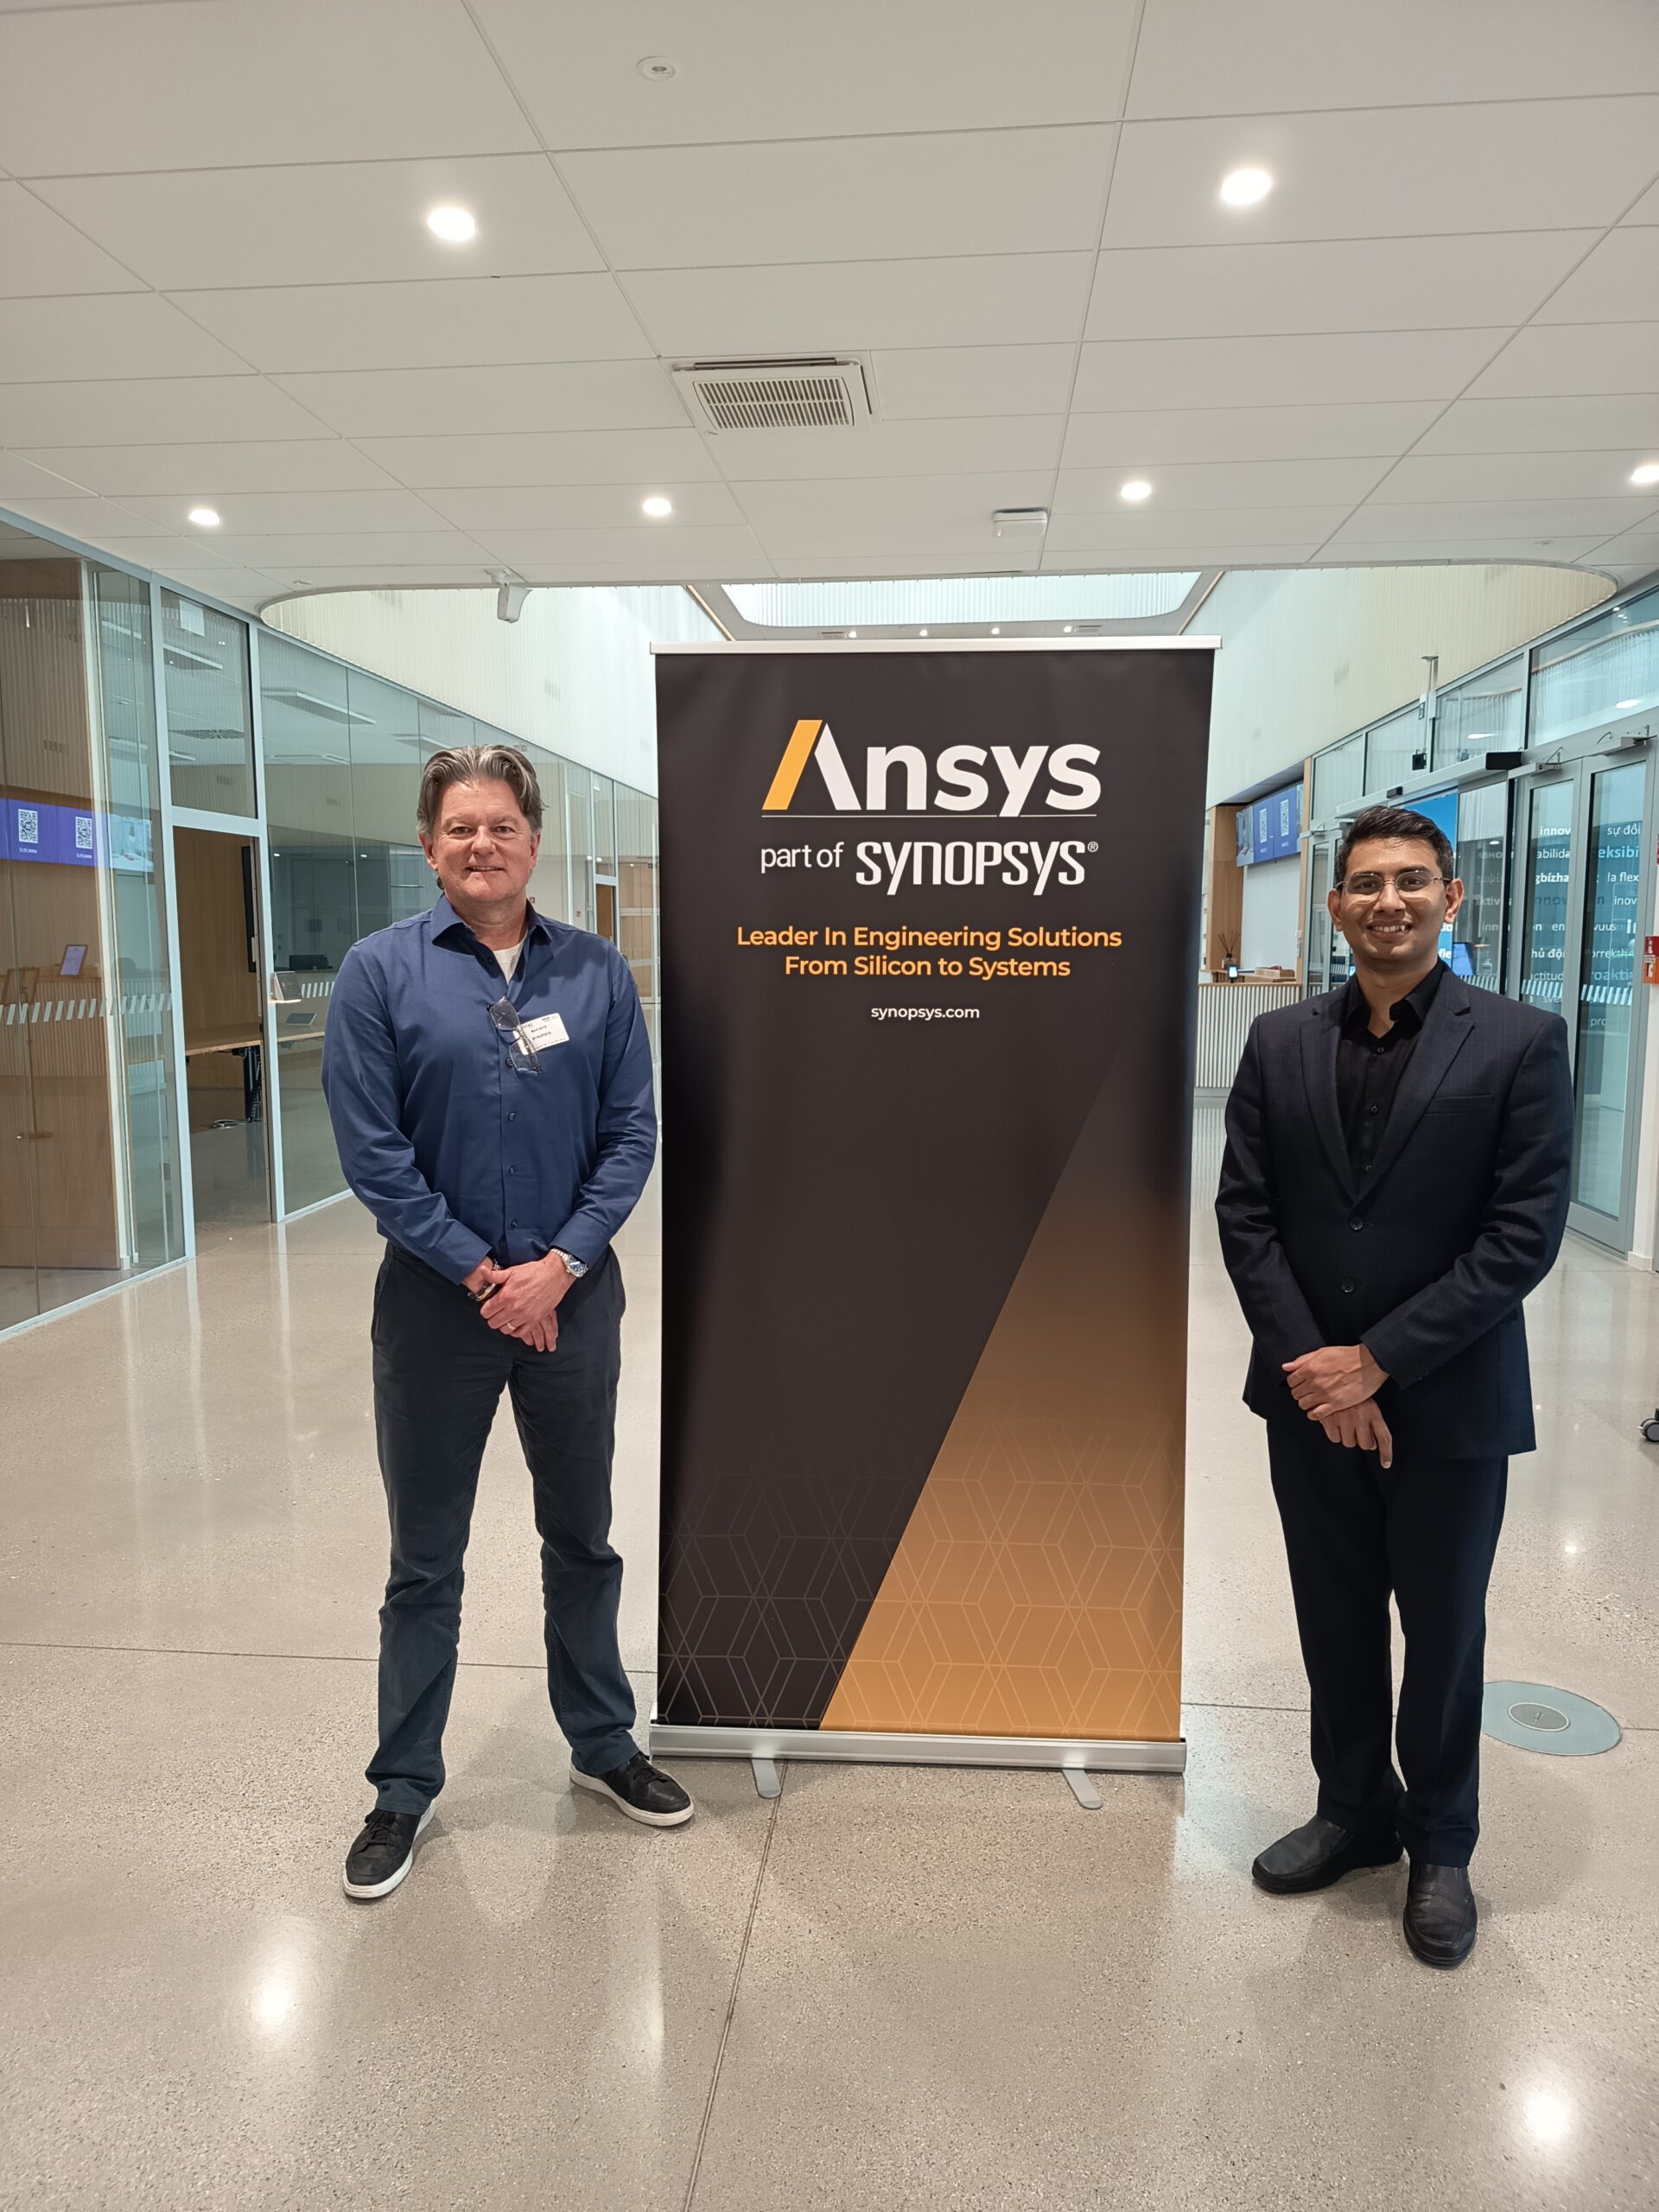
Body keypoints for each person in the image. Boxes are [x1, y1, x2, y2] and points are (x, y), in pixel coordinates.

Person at [321, 743, 690, 1903]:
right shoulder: (380, 974)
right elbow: (374, 1153)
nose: (481, 844)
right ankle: (402, 1787)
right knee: (424, 1558)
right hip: (436, 1309)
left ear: (535, 841)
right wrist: (487, 1277)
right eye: (459, 827)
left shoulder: (595, 972)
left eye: (501, 826)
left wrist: (560, 1266)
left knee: (582, 1535)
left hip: (571, 1303)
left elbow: (631, 1131)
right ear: (429, 847)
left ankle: (602, 1743)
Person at [1215, 802, 1572, 1968]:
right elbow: (1247, 1215)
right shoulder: (1280, 1044)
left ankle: (1442, 1845)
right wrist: (1322, 1373)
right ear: (1336, 907)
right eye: (1367, 883)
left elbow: (1521, 1237)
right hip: (1310, 1399)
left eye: (1412, 880)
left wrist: (1379, 1359)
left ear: (1450, 898)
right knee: (1333, 1614)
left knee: (1445, 1626)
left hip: (1452, 1402)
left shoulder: (1519, 1042)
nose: (1390, 901)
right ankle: (1354, 1810)